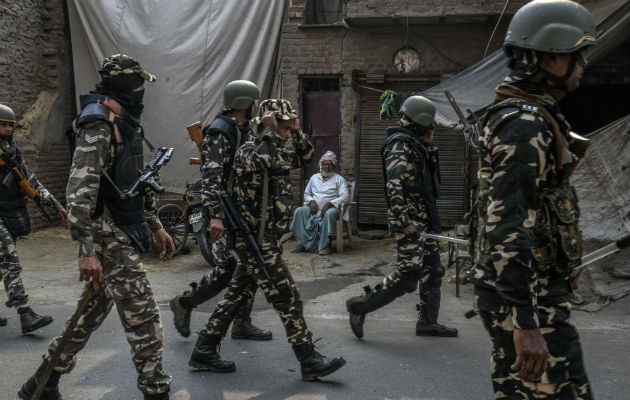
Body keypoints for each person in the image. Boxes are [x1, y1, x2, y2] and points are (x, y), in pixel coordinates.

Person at [18, 54, 175, 400]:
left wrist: (155, 224)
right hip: (107, 235)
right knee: (144, 319)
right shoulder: (99, 124)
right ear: (123, 85)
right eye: (137, 84)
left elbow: (134, 181)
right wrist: (86, 252)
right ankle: (156, 391)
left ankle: (41, 383)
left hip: (121, 229)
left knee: (89, 312)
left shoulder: (127, 123)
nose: (141, 91)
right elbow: (78, 195)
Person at [468, 1, 597, 398]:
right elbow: (508, 227)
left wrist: (565, 260)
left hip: (533, 291)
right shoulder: (525, 126)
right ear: (552, 58)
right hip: (528, 302)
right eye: (578, 55)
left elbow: (541, 207)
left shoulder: (536, 117)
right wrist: (525, 322)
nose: (582, 65)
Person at [188, 99, 346, 381]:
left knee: (238, 295)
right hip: (252, 239)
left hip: (266, 238)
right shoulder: (248, 150)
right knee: (287, 296)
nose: (286, 135)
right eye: (283, 129)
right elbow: (263, 158)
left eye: (288, 130)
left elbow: (306, 157)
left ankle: (204, 349)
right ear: (267, 125)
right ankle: (308, 358)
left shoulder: (276, 148)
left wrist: (296, 130)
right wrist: (271, 130)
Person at [345, 95, 457, 339]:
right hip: (410, 223)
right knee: (407, 277)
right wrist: (405, 222)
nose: (434, 130)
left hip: (422, 220)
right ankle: (358, 307)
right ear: (423, 122)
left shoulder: (415, 143)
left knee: (434, 269)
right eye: (432, 125)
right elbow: (393, 186)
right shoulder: (400, 145)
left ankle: (427, 323)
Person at [170, 80, 272, 341]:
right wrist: (215, 215)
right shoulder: (220, 131)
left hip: (238, 208)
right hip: (223, 210)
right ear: (243, 104)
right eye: (254, 102)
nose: (257, 106)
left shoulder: (242, 127)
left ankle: (242, 323)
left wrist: (262, 128)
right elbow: (212, 176)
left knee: (249, 265)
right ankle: (184, 302)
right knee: (226, 268)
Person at [0, 103, 67, 335]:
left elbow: (32, 181)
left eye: (10, 125)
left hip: (10, 211)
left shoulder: (12, 152)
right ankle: (25, 313)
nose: (7, 129)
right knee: (10, 261)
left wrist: (56, 204)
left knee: (2, 266)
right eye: (2, 125)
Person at [290, 150, 349, 255]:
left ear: (333, 166)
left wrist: (329, 204)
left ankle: (326, 245)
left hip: (331, 210)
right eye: (324, 164)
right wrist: (312, 202)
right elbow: (306, 194)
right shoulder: (314, 178)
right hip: (314, 209)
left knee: (330, 213)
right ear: (321, 165)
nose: (326, 167)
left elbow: (345, 197)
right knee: (299, 211)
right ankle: (304, 243)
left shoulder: (339, 179)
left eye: (329, 165)